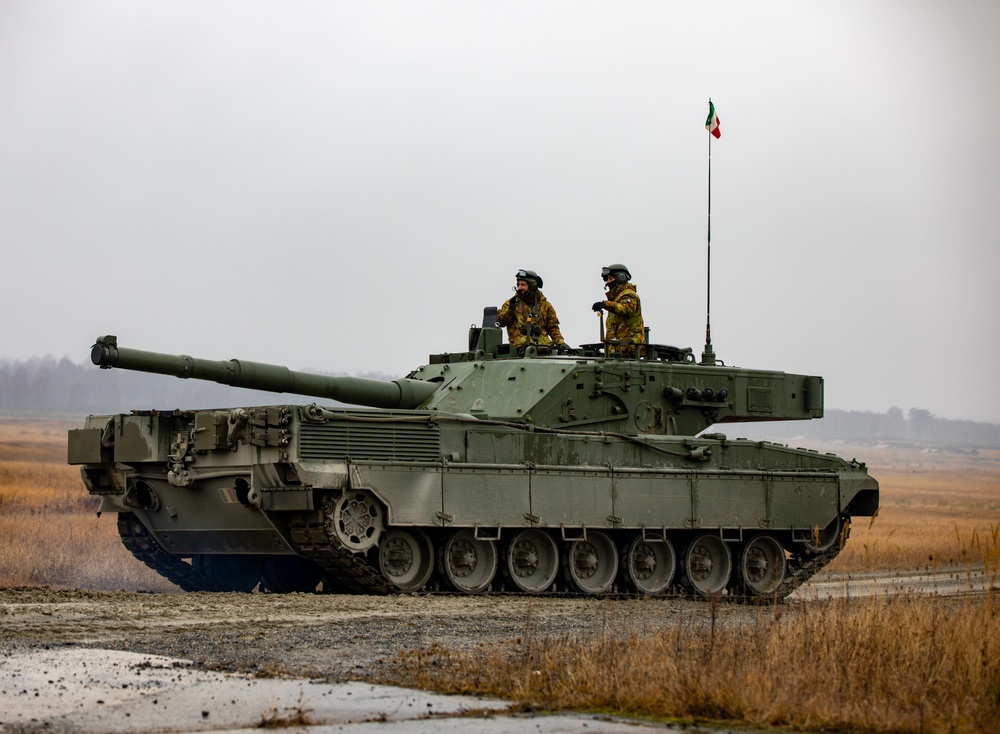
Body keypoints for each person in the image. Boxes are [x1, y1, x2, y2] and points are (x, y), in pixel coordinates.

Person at [496, 269, 568, 352]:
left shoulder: (545, 305)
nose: (519, 288)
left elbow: (553, 327)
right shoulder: (511, 303)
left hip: (544, 347)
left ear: (532, 286)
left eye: (523, 285)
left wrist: (560, 343)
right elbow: (500, 322)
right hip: (520, 348)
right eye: (518, 284)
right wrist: (510, 309)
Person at [592, 264, 644, 357]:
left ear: (621, 278)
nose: (608, 282)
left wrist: (605, 304)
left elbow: (626, 309)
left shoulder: (629, 295)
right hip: (618, 350)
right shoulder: (616, 298)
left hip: (629, 349)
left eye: (610, 279)